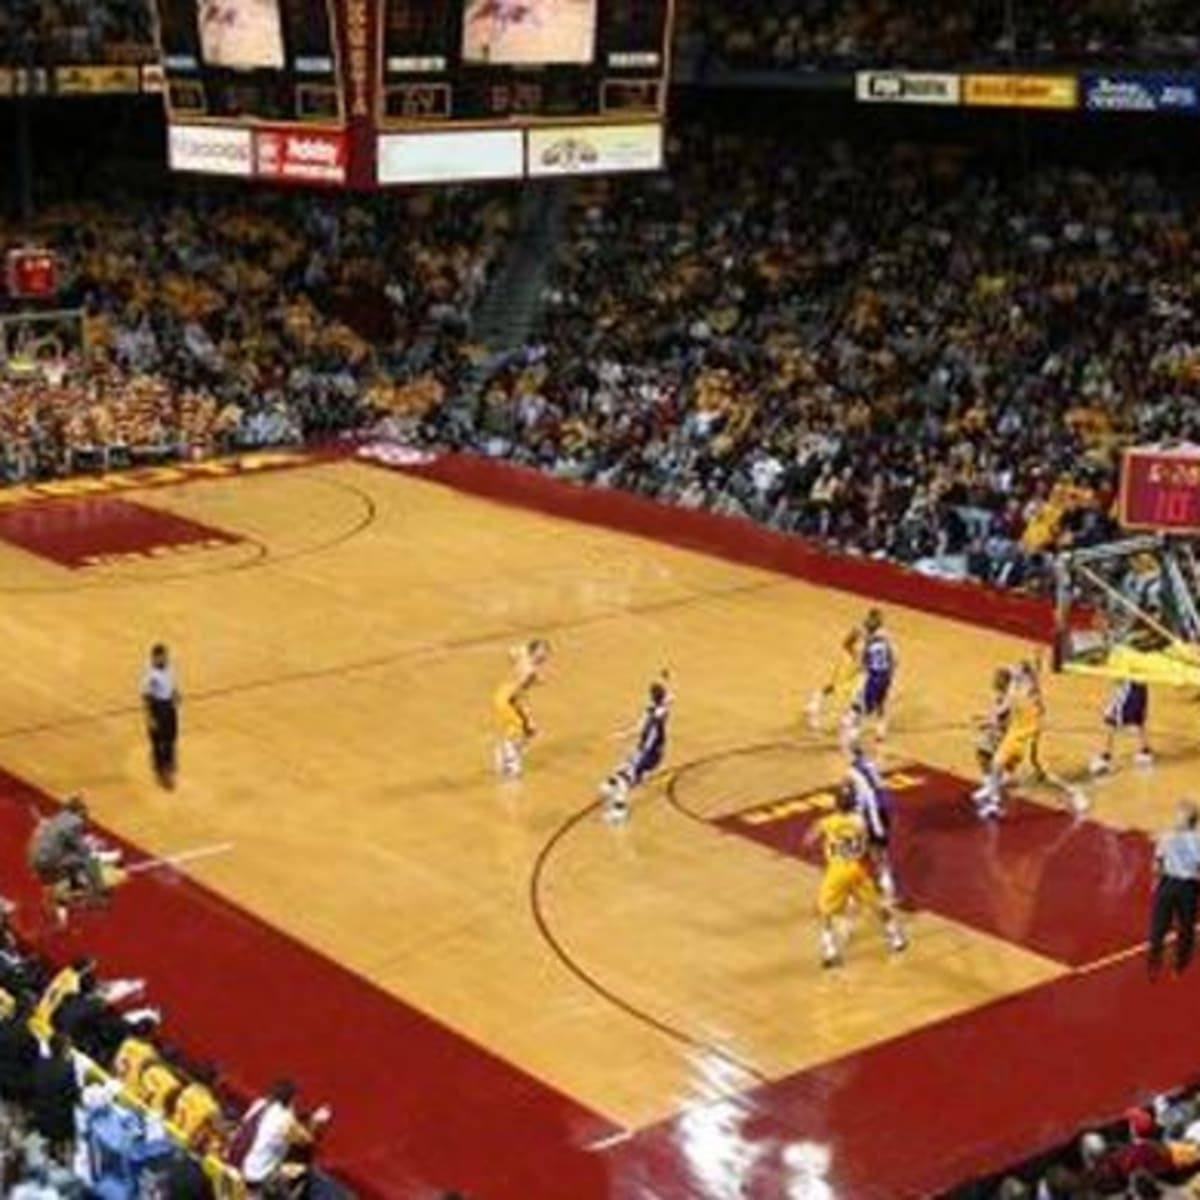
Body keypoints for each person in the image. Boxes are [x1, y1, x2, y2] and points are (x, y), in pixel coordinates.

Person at [805, 783, 906, 968]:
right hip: (858, 868)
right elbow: (869, 846)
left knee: (825, 912)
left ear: (836, 804)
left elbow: (810, 837)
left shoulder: (829, 821)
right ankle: (895, 937)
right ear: (852, 803)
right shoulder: (861, 822)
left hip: (837, 871)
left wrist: (817, 840)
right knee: (876, 903)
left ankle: (830, 950)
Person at [27, 799, 125, 927]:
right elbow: (81, 849)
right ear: (78, 812)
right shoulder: (74, 821)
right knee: (88, 860)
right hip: (48, 861)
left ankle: (71, 890)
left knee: (69, 864)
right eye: (84, 814)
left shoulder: (54, 819)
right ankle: (98, 895)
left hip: (35, 861)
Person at [229, 1079, 331, 1192]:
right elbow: (306, 1139)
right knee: (300, 1170)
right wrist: (317, 1120)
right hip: (254, 1178)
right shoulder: (285, 1120)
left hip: (234, 1164)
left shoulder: (260, 1103)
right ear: (291, 1100)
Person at [599, 673, 671, 825]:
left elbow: (647, 734)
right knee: (622, 767)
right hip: (644, 751)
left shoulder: (657, 715)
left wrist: (639, 756)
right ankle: (611, 785)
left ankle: (619, 812)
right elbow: (639, 728)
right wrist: (623, 735)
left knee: (625, 780)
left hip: (649, 754)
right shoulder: (655, 710)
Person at [1148, 800, 1200, 980]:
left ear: (1185, 819)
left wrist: (1156, 881)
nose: (1175, 818)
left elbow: (1157, 863)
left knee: (1159, 926)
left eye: (1178, 815)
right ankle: (1179, 965)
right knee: (1186, 928)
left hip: (1168, 885)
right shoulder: (1198, 840)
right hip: (1188, 888)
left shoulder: (1167, 836)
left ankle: (1154, 963)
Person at [845, 741, 897, 902]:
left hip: (869, 813)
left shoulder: (852, 772)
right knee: (880, 850)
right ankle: (887, 884)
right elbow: (880, 786)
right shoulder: (871, 764)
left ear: (852, 754)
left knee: (858, 849)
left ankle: (855, 888)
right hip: (884, 808)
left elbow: (859, 795)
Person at [492, 639, 549, 779]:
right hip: (508, 699)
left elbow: (511, 652)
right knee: (517, 730)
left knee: (529, 732)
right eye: (542, 652)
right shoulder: (529, 671)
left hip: (506, 695)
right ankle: (510, 765)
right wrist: (525, 714)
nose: (545, 656)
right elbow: (517, 693)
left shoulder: (525, 658)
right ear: (534, 652)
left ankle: (506, 756)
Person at [841, 609, 896, 748]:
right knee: (873, 701)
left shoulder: (881, 635)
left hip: (872, 673)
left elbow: (890, 656)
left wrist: (859, 661)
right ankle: (877, 728)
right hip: (878, 672)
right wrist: (855, 656)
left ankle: (856, 730)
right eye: (877, 619)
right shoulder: (865, 631)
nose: (879, 621)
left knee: (868, 703)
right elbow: (847, 643)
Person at [1091, 679, 1154, 776]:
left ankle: (1105, 758)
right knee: (1138, 717)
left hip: (1128, 685)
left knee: (1111, 718)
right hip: (1140, 684)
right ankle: (1144, 752)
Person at [142, 643, 181, 788]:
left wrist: (175, 693)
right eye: (161, 657)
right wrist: (150, 717)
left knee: (172, 735)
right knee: (158, 740)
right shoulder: (150, 674)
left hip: (169, 706)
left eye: (165, 656)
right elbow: (146, 697)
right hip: (157, 707)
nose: (164, 658)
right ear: (155, 658)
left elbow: (172, 683)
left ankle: (169, 761)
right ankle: (159, 768)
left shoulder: (170, 667)